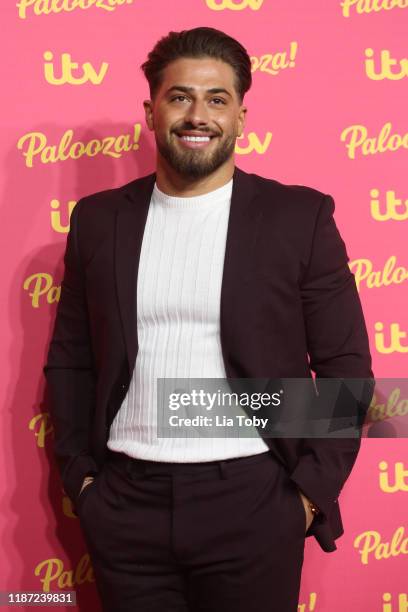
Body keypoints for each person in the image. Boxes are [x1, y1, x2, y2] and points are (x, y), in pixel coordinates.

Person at [43, 26, 374, 612]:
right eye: (180, 97)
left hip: (253, 500)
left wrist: (306, 495)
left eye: (217, 99)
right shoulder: (97, 221)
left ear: (242, 115)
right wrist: (84, 483)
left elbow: (345, 368)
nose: (198, 115)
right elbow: (72, 361)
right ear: (151, 110)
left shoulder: (300, 217)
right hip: (124, 501)